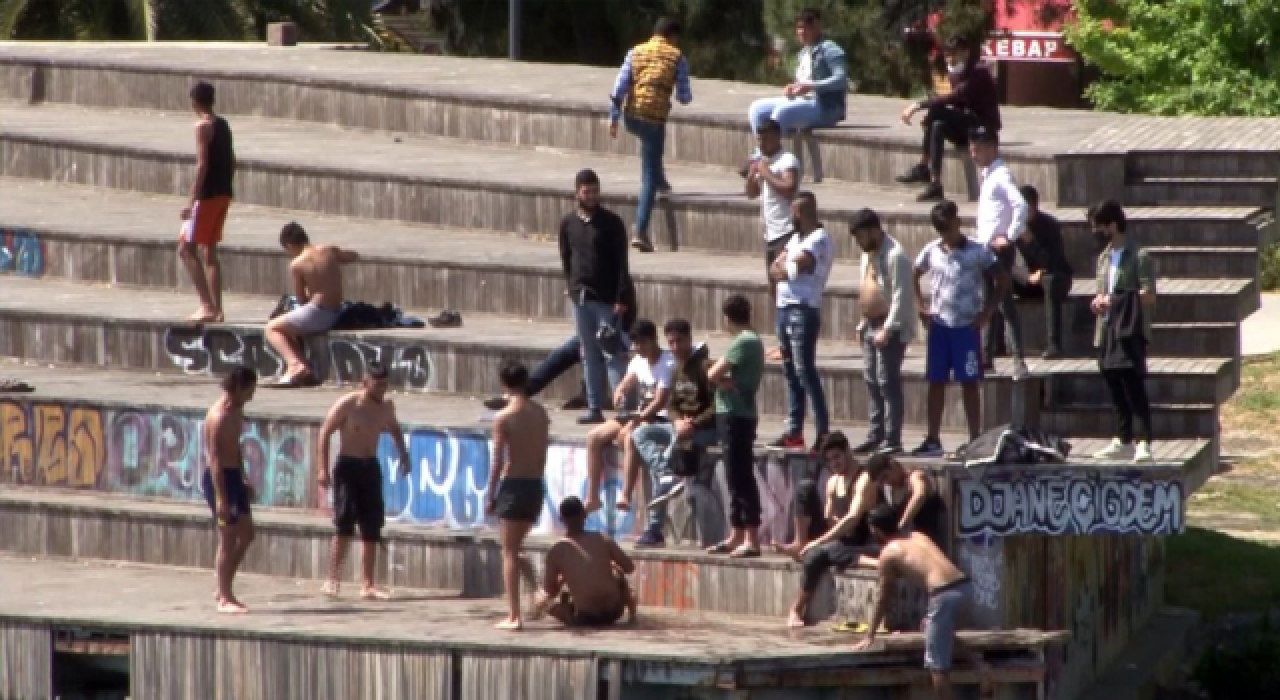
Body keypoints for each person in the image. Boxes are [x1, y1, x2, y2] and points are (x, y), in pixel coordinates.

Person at [854, 505, 986, 700]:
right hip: (965, 586)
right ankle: (980, 666)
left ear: (876, 530)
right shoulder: (918, 536)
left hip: (943, 595)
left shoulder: (888, 554)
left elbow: (883, 597)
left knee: (937, 666)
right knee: (931, 628)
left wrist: (870, 634)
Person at [911, 200, 1008, 457]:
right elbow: (914, 273)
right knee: (936, 381)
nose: (947, 234)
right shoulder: (932, 250)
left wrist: (987, 312)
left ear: (958, 221)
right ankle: (933, 439)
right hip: (940, 326)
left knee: (969, 382)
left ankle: (975, 437)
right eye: (941, 229)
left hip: (966, 326)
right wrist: (920, 305)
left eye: (949, 227)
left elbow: (1002, 279)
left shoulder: (978, 250)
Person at [316, 361, 411, 600]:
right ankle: (332, 579)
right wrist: (322, 469)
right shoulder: (349, 404)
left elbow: (395, 429)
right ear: (365, 382)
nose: (381, 390)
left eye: (385, 385)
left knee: (372, 525)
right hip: (348, 466)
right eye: (377, 385)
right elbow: (324, 432)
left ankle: (367, 583)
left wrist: (404, 455)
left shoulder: (386, 407)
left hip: (370, 466)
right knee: (344, 524)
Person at [483, 278, 637, 413]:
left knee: (596, 350)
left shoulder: (617, 285)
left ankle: (602, 399)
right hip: (594, 336)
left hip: (620, 336)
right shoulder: (588, 287)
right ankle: (523, 391)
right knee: (565, 353)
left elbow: (626, 320)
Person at [629, 318, 717, 548]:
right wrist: (677, 421)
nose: (675, 347)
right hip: (679, 427)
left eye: (680, 341)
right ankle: (665, 474)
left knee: (671, 451)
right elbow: (672, 405)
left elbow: (717, 406)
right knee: (640, 434)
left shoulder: (706, 366)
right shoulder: (677, 368)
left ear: (690, 339)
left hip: (705, 430)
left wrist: (693, 423)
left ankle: (654, 529)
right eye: (671, 343)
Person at [609, 16, 693, 253]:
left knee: (653, 152)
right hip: (654, 119)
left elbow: (619, 87)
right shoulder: (677, 57)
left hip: (631, 116)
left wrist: (613, 117)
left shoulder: (635, 52)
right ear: (672, 36)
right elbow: (684, 97)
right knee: (648, 175)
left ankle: (662, 181)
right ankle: (640, 230)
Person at [560, 169, 632, 425]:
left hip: (607, 300)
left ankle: (623, 407)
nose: (591, 196)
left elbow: (622, 264)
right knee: (589, 354)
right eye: (586, 191)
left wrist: (621, 297)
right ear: (577, 192)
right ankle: (594, 406)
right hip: (581, 299)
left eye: (595, 191)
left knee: (612, 353)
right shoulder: (568, 223)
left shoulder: (611, 223)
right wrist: (571, 287)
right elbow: (567, 258)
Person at [583, 319, 675, 514]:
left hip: (659, 416)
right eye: (635, 343)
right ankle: (592, 497)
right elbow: (626, 382)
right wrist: (619, 392)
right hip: (639, 414)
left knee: (628, 436)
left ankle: (625, 494)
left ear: (654, 340)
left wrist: (638, 420)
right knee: (593, 437)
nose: (638, 348)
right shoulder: (637, 361)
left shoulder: (668, 362)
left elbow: (660, 402)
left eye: (643, 343)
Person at [790, 435, 884, 627]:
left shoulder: (864, 479)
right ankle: (800, 544)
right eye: (830, 460)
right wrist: (829, 526)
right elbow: (829, 516)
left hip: (864, 540)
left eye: (837, 457)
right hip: (841, 539)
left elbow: (853, 518)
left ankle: (796, 609)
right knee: (805, 488)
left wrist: (819, 542)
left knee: (822, 553)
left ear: (848, 451)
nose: (834, 463)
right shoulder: (833, 481)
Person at [1089, 200, 1157, 463]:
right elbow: (1101, 292)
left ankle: (1144, 441)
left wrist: (1116, 301)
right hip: (1106, 329)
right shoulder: (1103, 258)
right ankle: (1123, 438)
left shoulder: (1139, 256)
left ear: (1113, 225)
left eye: (1099, 227)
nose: (1095, 232)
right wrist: (1098, 302)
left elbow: (1149, 295)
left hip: (1129, 330)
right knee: (1114, 386)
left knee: (1134, 386)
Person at [896, 36, 1001, 203]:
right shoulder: (956, 72)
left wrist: (918, 105)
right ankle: (935, 183)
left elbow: (956, 96)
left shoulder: (978, 72)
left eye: (954, 54)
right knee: (937, 125)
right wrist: (931, 118)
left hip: (983, 127)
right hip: (967, 125)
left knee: (937, 110)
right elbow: (958, 103)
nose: (950, 59)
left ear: (966, 52)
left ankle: (923, 166)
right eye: (947, 55)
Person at [486, 360, 550, 631]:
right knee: (515, 546)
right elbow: (542, 452)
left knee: (509, 552)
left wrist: (491, 493)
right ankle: (538, 591)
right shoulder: (541, 413)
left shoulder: (504, 417)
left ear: (504, 383)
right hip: (535, 484)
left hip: (513, 484)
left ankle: (514, 615)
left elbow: (498, 461)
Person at [767, 192, 832, 451]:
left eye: (793, 212)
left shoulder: (819, 239)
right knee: (790, 372)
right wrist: (782, 270)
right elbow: (775, 268)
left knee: (805, 371)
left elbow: (792, 270)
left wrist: (784, 269)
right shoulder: (795, 239)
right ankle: (794, 432)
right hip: (784, 309)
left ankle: (823, 432)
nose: (790, 217)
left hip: (802, 310)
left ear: (801, 212)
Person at [850, 208, 916, 456]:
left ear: (874, 231)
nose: (859, 242)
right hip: (870, 323)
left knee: (887, 382)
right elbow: (868, 286)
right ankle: (875, 434)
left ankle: (892, 438)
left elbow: (901, 297)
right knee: (871, 380)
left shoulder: (896, 255)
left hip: (890, 326)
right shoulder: (867, 254)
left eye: (861, 236)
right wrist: (862, 322)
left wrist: (887, 329)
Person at [706, 294, 765, 558]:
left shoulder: (743, 341)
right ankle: (737, 533)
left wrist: (724, 382)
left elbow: (712, 374)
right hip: (739, 413)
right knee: (734, 475)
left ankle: (751, 537)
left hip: (735, 414)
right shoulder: (754, 340)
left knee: (740, 475)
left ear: (727, 318)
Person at [265, 222, 360, 387]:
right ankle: (303, 367)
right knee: (288, 323)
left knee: (271, 328)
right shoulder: (327, 250)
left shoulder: (297, 264)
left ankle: (295, 364)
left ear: (289, 245)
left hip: (318, 313)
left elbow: (301, 299)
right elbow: (352, 256)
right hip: (336, 310)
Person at [969, 127, 1029, 380]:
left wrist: (1010, 235)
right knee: (987, 302)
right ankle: (986, 358)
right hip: (984, 248)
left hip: (999, 249)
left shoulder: (1002, 175)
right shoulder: (987, 175)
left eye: (978, 149)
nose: (973, 154)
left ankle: (1018, 361)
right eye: (972, 149)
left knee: (1004, 303)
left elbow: (1020, 204)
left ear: (992, 148)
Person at [199, 366, 257, 614]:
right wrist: (222, 497)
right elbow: (214, 460)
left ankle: (222, 585)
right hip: (219, 479)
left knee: (247, 534)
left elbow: (235, 446)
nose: (252, 396)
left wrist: (243, 477)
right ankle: (225, 597)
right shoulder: (218, 417)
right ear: (238, 388)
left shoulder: (237, 410)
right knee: (228, 538)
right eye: (250, 390)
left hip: (234, 476)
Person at [531, 496, 638, 628]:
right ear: (584, 515)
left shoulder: (557, 551)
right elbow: (629, 567)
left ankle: (564, 612)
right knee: (619, 574)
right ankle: (633, 616)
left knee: (541, 597)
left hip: (584, 618)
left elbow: (550, 591)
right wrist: (610, 566)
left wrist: (563, 579)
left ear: (561, 519)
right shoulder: (602, 538)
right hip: (614, 611)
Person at [179, 81, 235, 323]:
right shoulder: (223, 124)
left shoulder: (202, 126)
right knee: (209, 251)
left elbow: (202, 165)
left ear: (194, 102)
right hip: (224, 193)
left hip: (207, 195)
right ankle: (217, 310)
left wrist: (191, 200)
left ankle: (206, 305)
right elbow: (233, 160)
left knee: (185, 249)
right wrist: (226, 186)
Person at [746, 8, 847, 140]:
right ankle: (762, 150)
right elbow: (803, 83)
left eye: (807, 27)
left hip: (824, 107)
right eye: (799, 27)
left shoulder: (830, 49)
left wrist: (812, 86)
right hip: (802, 101)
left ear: (818, 27)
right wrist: (793, 89)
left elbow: (841, 79)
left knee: (782, 112)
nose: (801, 32)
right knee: (757, 109)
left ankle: (775, 151)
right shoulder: (803, 53)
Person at [1015, 185, 1073, 359]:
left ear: (1034, 206)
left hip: (1055, 277)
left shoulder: (1050, 225)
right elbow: (1008, 262)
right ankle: (995, 345)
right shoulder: (1013, 226)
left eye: (1026, 209)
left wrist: (1031, 241)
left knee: (1050, 280)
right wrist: (1026, 276)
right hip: (1027, 279)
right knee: (996, 276)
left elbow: (1053, 261)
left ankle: (1054, 344)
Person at [745, 119, 801, 288]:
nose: (762, 144)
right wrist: (751, 176)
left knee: (784, 283)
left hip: (786, 230)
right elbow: (752, 194)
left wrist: (765, 172)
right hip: (770, 233)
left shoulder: (787, 160)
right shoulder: (763, 161)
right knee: (773, 284)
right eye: (759, 140)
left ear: (777, 137)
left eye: (766, 140)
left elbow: (789, 188)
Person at [864, 452, 947, 547]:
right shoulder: (889, 490)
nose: (887, 482)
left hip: (928, 543)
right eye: (882, 482)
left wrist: (902, 524)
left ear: (893, 465)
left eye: (885, 477)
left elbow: (920, 494)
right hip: (906, 543)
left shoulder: (915, 477)